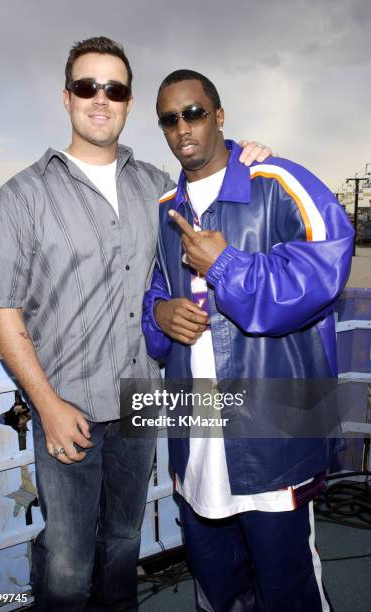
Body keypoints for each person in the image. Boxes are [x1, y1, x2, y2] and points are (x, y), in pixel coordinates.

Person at [0, 38, 271, 611]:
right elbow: (2, 312)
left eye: (115, 88)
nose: (101, 99)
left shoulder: (157, 186)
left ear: (129, 101)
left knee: (122, 546)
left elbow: (213, 171)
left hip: (141, 400)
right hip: (67, 408)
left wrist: (249, 154)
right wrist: (47, 406)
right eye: (88, 86)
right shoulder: (21, 196)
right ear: (67, 98)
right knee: (66, 561)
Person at [142, 69, 354, 612]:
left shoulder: (279, 181)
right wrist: (161, 314)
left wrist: (226, 265)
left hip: (274, 433)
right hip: (196, 437)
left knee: (288, 590)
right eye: (169, 119)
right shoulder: (168, 208)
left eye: (193, 112)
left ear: (218, 114)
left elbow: (324, 276)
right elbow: (153, 293)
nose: (182, 127)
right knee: (217, 584)